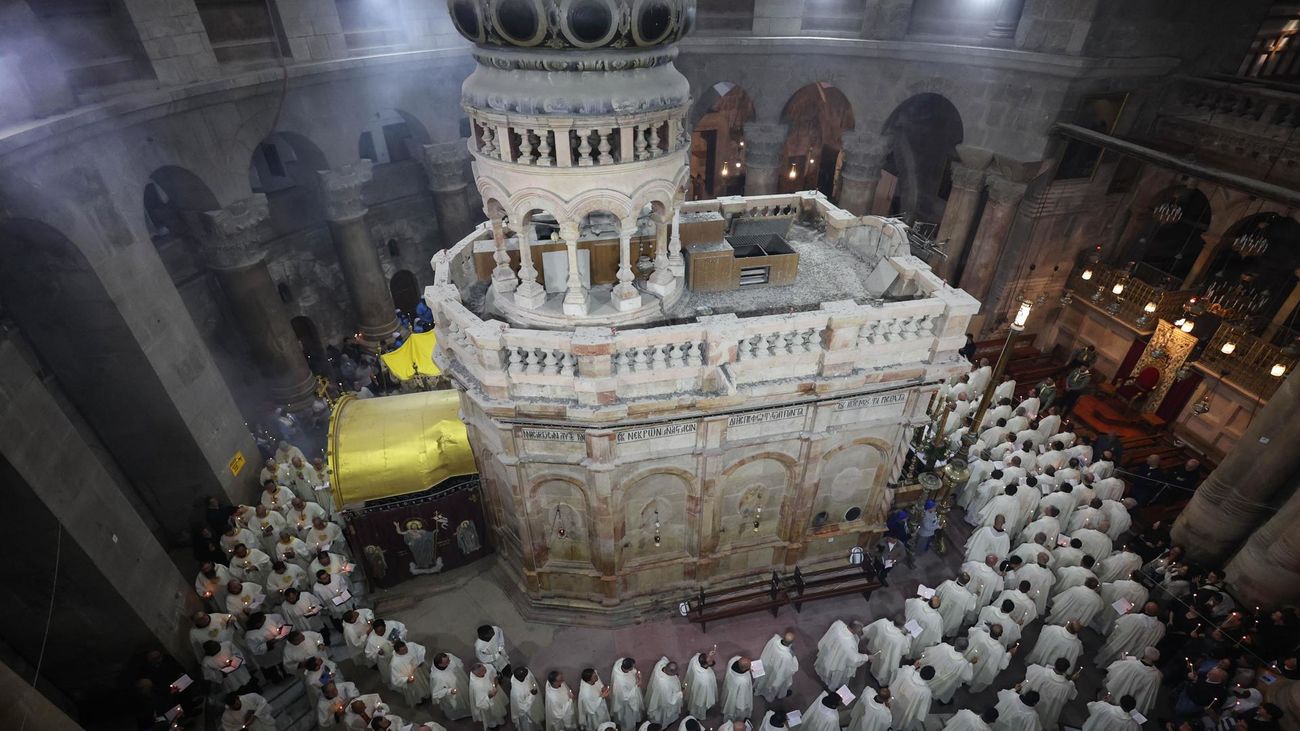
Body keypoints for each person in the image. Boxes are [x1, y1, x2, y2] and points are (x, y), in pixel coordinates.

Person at [1096, 602, 1166, 665]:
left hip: (1125, 646)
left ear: (1145, 608)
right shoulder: (1161, 627)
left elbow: (1119, 627)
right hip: (1139, 652)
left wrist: (1127, 616)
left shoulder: (1135, 617)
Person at [1102, 647, 1161, 716]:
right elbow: (1150, 692)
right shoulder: (1156, 675)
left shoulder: (1132, 664)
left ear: (1145, 654)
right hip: (1135, 701)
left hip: (1121, 691)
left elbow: (1114, 672)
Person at [1020, 658, 1076, 728]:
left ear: (1055, 664)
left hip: (1030, 703)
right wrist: (1072, 681)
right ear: (1066, 670)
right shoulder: (1067, 687)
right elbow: (1072, 696)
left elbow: (1028, 675)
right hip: (1047, 711)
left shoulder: (1039, 671)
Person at [815, 619, 870, 688]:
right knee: (836, 675)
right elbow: (854, 658)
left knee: (827, 664)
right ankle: (832, 687)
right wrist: (867, 657)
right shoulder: (850, 643)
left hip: (830, 651)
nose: (859, 633)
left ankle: (825, 676)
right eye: (859, 631)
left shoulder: (838, 624)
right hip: (839, 660)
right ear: (854, 631)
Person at [863, 617, 909, 686]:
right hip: (889, 656)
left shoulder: (883, 622)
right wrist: (908, 636)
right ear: (903, 626)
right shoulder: (901, 639)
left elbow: (870, 629)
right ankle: (881, 681)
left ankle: (874, 672)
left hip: (878, 650)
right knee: (884, 669)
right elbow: (904, 651)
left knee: (877, 663)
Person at [963, 624, 1010, 693]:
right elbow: (1002, 665)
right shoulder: (1000, 650)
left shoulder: (980, 634)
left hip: (972, 660)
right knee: (977, 676)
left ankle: (964, 679)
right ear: (1001, 635)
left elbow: (970, 631)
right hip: (982, 670)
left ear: (990, 630)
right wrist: (1009, 654)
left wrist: (983, 626)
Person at [754, 630, 798, 702]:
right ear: (791, 643)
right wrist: (793, 656)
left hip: (767, 665)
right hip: (776, 673)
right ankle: (769, 696)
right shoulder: (787, 656)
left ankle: (759, 689)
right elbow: (791, 669)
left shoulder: (774, 640)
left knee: (765, 679)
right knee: (774, 683)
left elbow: (766, 650)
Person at [889, 664, 934, 731]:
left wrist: (914, 666)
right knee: (900, 720)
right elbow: (922, 710)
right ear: (930, 678)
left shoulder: (908, 673)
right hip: (907, 709)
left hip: (896, 700)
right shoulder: (926, 692)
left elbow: (904, 669)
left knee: (891, 712)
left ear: (921, 670)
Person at [431, 652, 474, 721]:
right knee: (457, 704)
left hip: (460, 683)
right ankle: (457, 716)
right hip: (452, 693)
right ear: (440, 664)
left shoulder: (449, 656)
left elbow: (459, 663)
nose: (450, 661)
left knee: (466, 697)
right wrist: (449, 691)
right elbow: (436, 693)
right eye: (447, 662)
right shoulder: (437, 677)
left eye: (448, 660)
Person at [392, 640, 433, 707]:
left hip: (419, 671)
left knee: (424, 683)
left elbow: (421, 649)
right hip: (410, 679)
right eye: (403, 650)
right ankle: (419, 701)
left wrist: (420, 660)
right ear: (397, 652)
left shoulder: (411, 645)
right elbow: (395, 678)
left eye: (406, 648)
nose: (406, 651)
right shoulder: (395, 663)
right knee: (417, 691)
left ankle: (427, 694)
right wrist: (406, 680)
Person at [470, 663, 510, 731]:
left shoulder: (486, 667)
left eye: (484, 668)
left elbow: (493, 674)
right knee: (492, 716)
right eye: (483, 670)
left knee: (499, 707)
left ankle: (501, 716)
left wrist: (495, 681)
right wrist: (490, 696)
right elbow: (480, 704)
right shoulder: (477, 686)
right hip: (489, 703)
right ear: (478, 674)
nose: (486, 670)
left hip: (495, 693)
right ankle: (494, 725)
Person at [644, 658, 682, 727]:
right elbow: (669, 701)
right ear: (670, 672)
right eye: (674, 673)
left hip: (657, 693)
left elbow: (664, 659)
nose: (676, 674)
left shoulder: (660, 665)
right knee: (662, 716)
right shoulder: (664, 685)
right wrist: (680, 694)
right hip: (662, 704)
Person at [609, 657, 644, 731]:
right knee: (628, 717)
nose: (634, 668)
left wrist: (635, 675)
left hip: (627, 692)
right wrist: (639, 682)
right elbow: (626, 697)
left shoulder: (618, 664)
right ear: (627, 669)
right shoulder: (621, 681)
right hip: (626, 704)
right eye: (632, 667)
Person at [683, 650, 717, 719]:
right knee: (699, 705)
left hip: (694, 688)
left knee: (693, 701)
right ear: (705, 664)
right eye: (710, 662)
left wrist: (710, 657)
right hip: (701, 695)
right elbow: (708, 694)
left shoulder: (695, 659)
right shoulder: (706, 678)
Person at [510, 666, 545, 731]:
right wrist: (532, 695)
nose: (527, 676)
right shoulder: (517, 692)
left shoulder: (514, 678)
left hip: (532, 707)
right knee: (529, 727)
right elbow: (523, 707)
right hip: (527, 714)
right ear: (521, 677)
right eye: (525, 675)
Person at [720, 656, 753, 722]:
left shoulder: (733, 660)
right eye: (750, 666)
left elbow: (739, 658)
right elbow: (742, 698)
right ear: (744, 669)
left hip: (729, 688)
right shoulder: (743, 681)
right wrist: (742, 708)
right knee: (733, 710)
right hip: (736, 698)